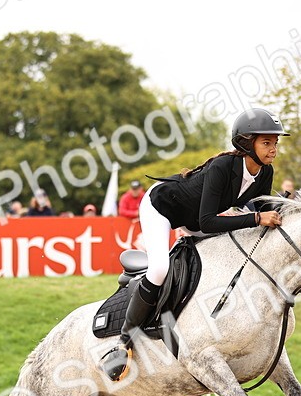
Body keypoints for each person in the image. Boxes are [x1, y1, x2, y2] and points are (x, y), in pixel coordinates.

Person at [100, 107, 288, 381]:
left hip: (195, 218)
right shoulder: (223, 168)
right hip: (163, 207)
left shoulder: (265, 172)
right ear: (247, 144)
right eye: (267, 143)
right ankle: (124, 343)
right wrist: (257, 218)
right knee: (159, 269)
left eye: (276, 143)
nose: (274, 149)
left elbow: (261, 205)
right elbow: (210, 221)